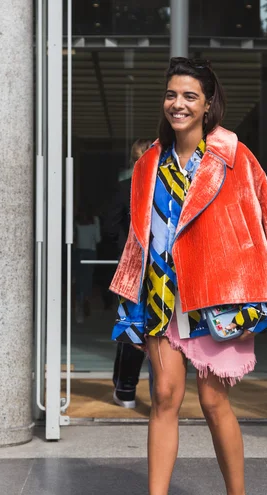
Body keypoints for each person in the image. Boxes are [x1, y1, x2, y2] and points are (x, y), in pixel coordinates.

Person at [110, 57, 267, 495]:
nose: (178, 103)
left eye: (190, 96)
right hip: (162, 297)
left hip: (218, 300)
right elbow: (139, 235)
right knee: (164, 398)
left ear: (208, 103)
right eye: (172, 94)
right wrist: (130, 298)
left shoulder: (236, 158)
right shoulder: (151, 161)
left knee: (214, 402)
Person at [106, 139, 153, 408]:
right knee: (134, 326)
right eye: (138, 157)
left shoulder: (134, 188)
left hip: (149, 268)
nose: (141, 161)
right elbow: (111, 226)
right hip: (137, 269)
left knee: (139, 326)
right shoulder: (129, 189)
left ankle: (123, 386)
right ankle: (124, 387)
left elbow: (111, 226)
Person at [74, 209, 101, 324]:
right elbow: (98, 239)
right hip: (90, 252)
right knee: (88, 279)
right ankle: (85, 301)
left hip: (80, 252)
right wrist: (97, 223)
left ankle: (79, 303)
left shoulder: (77, 223)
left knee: (79, 279)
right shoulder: (93, 223)